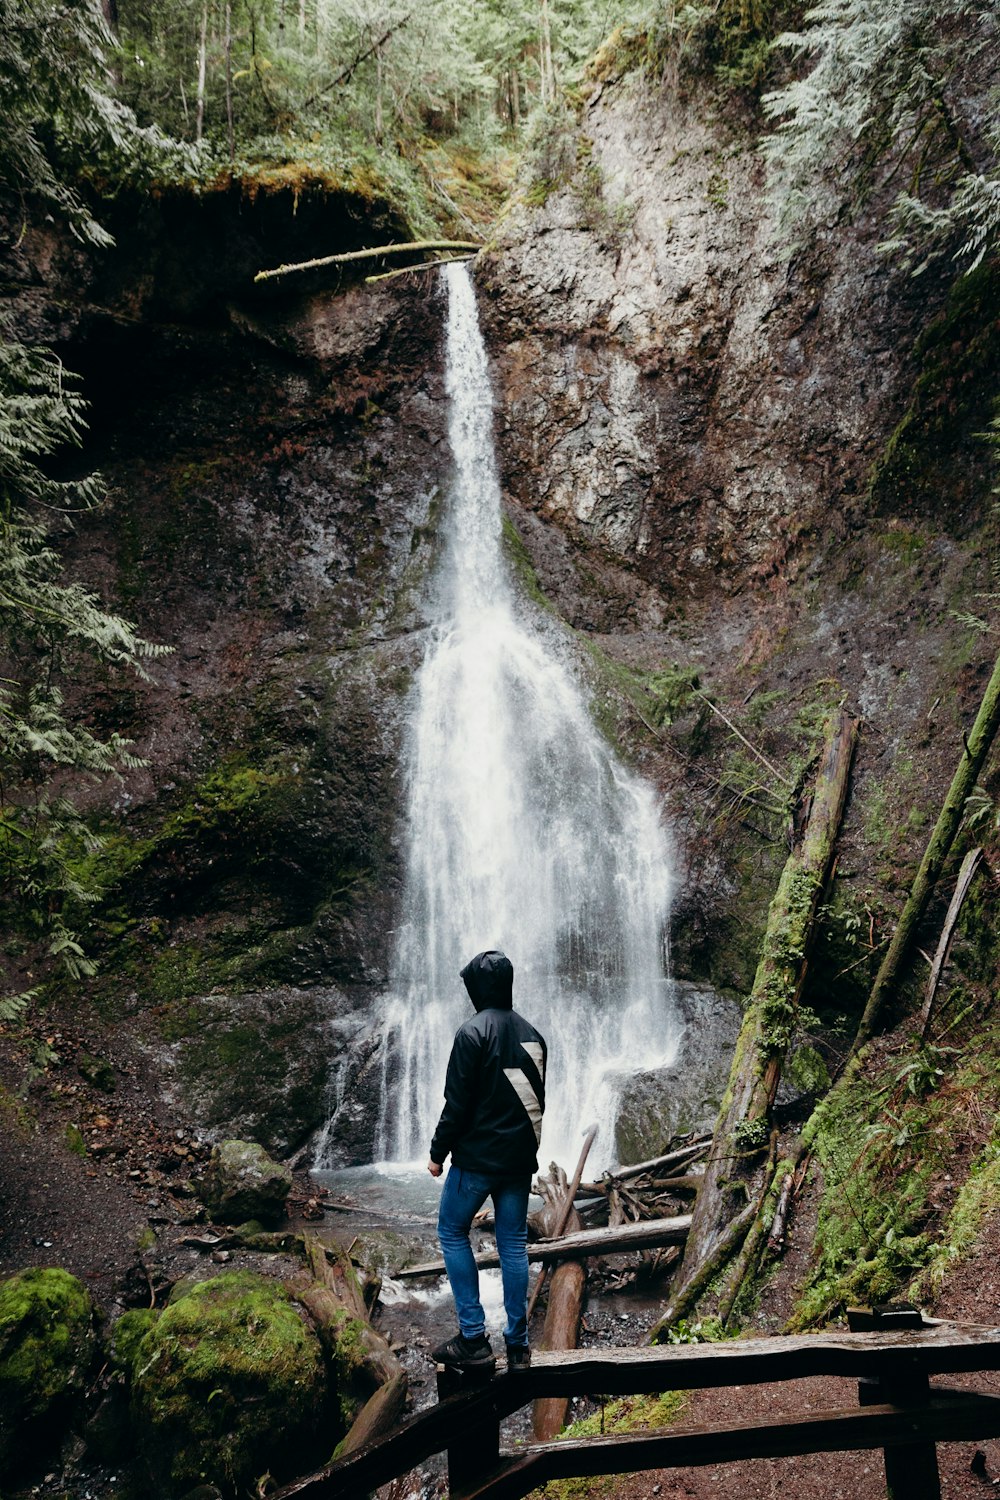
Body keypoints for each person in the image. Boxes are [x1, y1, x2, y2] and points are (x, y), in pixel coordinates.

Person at [426, 949, 547, 1374]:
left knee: (452, 1230)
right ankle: (518, 1347)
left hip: (476, 1162)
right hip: (517, 1163)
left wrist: (438, 1153)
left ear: (477, 988)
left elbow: (456, 1105)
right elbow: (537, 1105)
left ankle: (473, 1338)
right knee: (513, 1243)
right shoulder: (534, 1034)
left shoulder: (471, 1033)